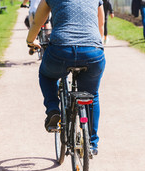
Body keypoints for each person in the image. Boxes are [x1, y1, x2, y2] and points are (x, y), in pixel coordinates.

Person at [26, 0, 106, 155]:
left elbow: (37, 22)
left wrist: (30, 41)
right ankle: (91, 143)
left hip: (61, 50)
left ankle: (53, 109)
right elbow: (101, 25)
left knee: (46, 75)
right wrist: (96, 46)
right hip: (93, 52)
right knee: (92, 95)